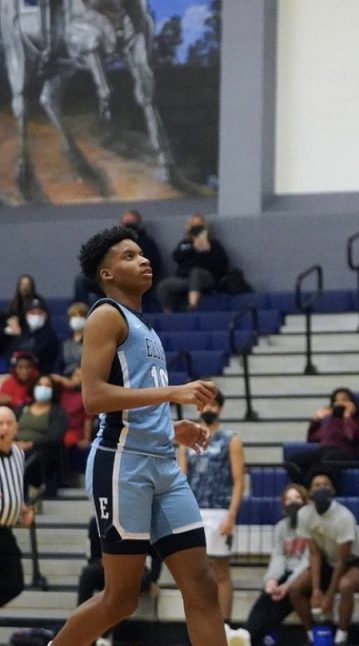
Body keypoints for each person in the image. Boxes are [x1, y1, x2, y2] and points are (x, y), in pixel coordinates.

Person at [46, 224, 226, 646]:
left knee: (201, 584)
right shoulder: (105, 315)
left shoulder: (145, 327)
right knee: (121, 599)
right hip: (122, 464)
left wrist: (170, 425)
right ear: (107, 274)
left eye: (141, 253)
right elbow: (93, 397)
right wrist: (173, 392)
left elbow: (132, 396)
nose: (143, 259)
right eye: (128, 256)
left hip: (162, 463)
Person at [180, 389, 245, 640]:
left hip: (219, 510)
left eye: (214, 405)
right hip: (193, 510)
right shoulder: (186, 439)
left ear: (220, 409)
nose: (210, 409)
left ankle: (225, 625)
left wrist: (232, 515)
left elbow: (239, 481)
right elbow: (182, 477)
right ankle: (199, 625)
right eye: (206, 405)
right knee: (196, 572)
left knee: (220, 569)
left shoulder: (231, 439)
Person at [289, 469, 359, 646]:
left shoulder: (344, 517)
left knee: (345, 585)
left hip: (354, 561)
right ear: (310, 492)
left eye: (326, 485)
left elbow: (342, 560)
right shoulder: (304, 514)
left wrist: (328, 595)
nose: (321, 488)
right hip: (327, 560)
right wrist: (317, 590)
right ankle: (312, 634)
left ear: (333, 491)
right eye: (317, 485)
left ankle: (342, 637)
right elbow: (314, 554)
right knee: (295, 589)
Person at [240, 483, 310, 646]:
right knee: (265, 598)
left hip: (304, 576)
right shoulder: (281, 527)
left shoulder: (311, 526)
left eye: (297, 498)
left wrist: (287, 585)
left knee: (279, 605)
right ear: (284, 504)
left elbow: (307, 561)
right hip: (285, 573)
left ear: (305, 502)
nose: (293, 502)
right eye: (289, 499)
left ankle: (249, 639)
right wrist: (271, 580)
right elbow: (278, 557)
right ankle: (245, 635)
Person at [76, 515, 162, 646]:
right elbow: (92, 556)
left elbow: (156, 556)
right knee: (88, 574)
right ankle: (80, 625)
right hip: (105, 568)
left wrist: (153, 580)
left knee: (123, 583)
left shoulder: (141, 522)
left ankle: (104, 634)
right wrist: (106, 563)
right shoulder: (96, 522)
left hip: (134, 571)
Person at [74, 210, 163, 306]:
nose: (128, 227)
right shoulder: (114, 243)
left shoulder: (146, 243)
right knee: (82, 280)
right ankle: (79, 314)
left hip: (129, 281)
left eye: (130, 224)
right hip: (113, 278)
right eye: (125, 224)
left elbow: (153, 267)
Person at [285, 387, 359, 484]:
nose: (340, 403)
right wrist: (316, 421)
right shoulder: (329, 421)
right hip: (325, 449)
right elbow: (312, 439)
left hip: (345, 452)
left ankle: (317, 487)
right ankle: (305, 487)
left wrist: (347, 417)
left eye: (344, 400)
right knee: (293, 461)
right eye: (336, 400)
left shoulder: (358, 420)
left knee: (327, 460)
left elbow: (353, 436)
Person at [156, 214, 230, 313]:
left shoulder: (212, 243)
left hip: (205, 277)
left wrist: (207, 250)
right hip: (184, 278)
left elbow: (222, 263)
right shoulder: (184, 243)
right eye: (193, 225)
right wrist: (192, 248)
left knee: (195, 272)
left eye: (199, 225)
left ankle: (192, 306)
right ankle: (169, 314)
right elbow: (176, 257)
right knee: (163, 286)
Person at [0, 405, 35, 609]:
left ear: (16, 428)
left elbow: (12, 486)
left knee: (15, 583)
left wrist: (21, 508)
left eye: (9, 423)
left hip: (5, 530)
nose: (4, 428)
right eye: (0, 424)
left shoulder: (18, 455)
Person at [15, 373, 68, 497]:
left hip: (42, 451)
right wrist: (13, 443)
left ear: (53, 390)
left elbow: (55, 436)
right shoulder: (23, 407)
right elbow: (11, 425)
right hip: (16, 446)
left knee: (34, 458)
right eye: (40, 385)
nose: (43, 388)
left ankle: (32, 491)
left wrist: (30, 444)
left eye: (47, 385)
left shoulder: (58, 411)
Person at [4, 298, 61, 376]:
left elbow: (53, 363)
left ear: (45, 316)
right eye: (32, 313)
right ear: (26, 315)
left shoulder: (51, 337)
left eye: (40, 313)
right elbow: (10, 356)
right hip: (16, 375)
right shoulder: (20, 335)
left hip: (40, 377)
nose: (36, 316)